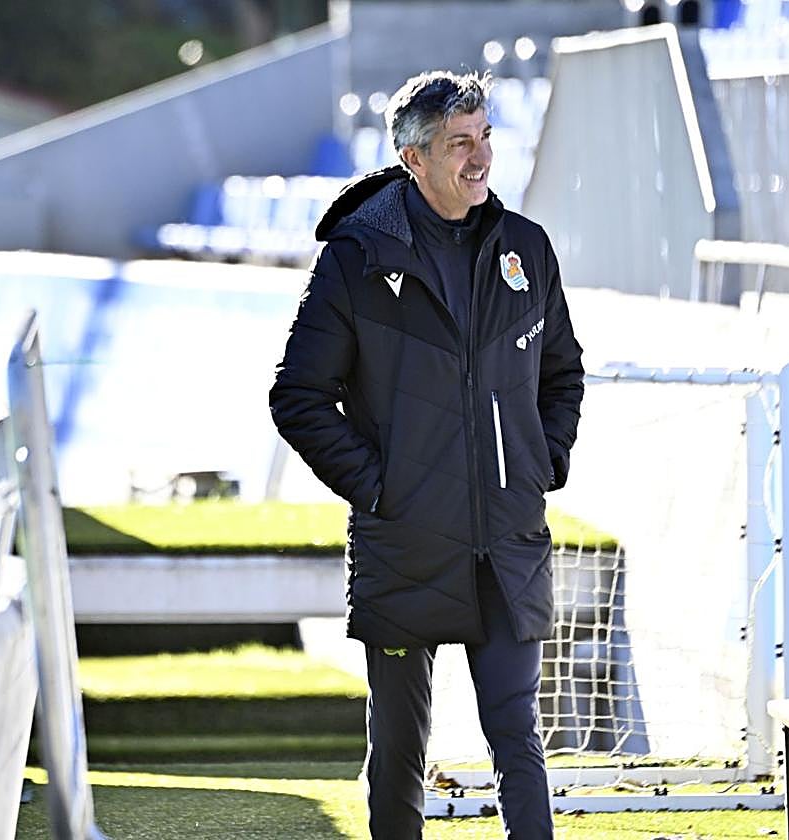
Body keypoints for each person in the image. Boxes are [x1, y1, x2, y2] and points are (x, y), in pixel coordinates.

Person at [269, 70, 584, 839]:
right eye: (458, 145)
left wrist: (543, 461)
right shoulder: (355, 261)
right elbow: (298, 398)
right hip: (405, 537)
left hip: (508, 541)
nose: (479, 159)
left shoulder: (526, 250)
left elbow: (562, 372)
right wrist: (381, 489)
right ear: (413, 158)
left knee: (518, 736)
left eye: (484, 139)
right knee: (401, 748)